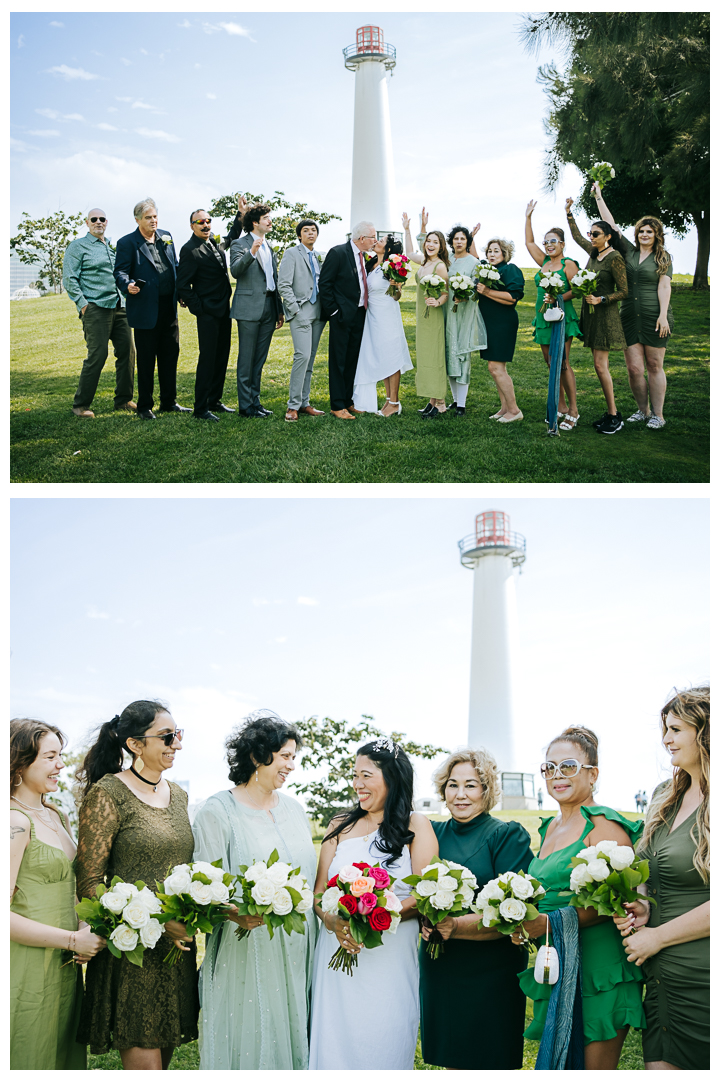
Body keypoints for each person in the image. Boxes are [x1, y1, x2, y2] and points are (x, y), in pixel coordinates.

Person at [75, 700, 198, 1069]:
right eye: (166, 736)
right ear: (134, 744)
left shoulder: (180, 795)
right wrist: (158, 924)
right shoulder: (108, 793)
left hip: (176, 955)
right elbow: (90, 883)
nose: (176, 743)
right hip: (132, 954)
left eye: (178, 734)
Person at [514, 725, 645, 1069]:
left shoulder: (603, 825)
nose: (557, 775)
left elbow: (618, 899)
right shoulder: (550, 828)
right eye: (549, 767)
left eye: (568, 766)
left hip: (597, 965)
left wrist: (546, 923)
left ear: (593, 773)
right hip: (557, 957)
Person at [192, 711, 317, 1069]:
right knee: (253, 1030)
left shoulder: (294, 809)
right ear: (257, 756)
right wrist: (236, 913)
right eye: (285, 756)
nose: (292, 765)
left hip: (297, 946)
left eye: (294, 757)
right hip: (246, 946)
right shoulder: (218, 811)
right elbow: (207, 889)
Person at [309, 738, 438, 1069]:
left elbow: (425, 893)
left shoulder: (416, 824)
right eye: (354, 775)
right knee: (335, 1042)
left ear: (392, 777)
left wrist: (376, 913)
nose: (357, 784)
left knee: (386, 1038)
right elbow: (320, 892)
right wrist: (332, 921)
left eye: (366, 775)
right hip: (336, 949)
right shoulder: (339, 825)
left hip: (390, 954)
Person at [418, 749, 533, 1070]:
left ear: (487, 789)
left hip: (491, 969)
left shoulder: (506, 835)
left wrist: (456, 925)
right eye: (452, 785)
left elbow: (516, 913)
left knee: (489, 1057)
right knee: (450, 1059)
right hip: (442, 968)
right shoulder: (432, 834)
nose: (460, 794)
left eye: (470, 785)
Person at [614, 686, 709, 1071]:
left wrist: (656, 936)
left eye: (675, 729)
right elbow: (652, 873)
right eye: (664, 730)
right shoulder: (664, 794)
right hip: (660, 975)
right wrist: (642, 904)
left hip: (703, 972)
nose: (666, 740)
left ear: (706, 732)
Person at [11, 718, 106, 1069]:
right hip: (27, 966)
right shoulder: (14, 821)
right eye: (50, 757)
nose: (61, 766)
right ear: (20, 763)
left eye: (60, 756)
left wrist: (84, 927)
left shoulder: (56, 815)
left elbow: (68, 887)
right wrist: (70, 939)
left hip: (64, 967)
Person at [592, 183, 673, 429]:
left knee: (654, 365)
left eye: (649, 232)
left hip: (654, 314)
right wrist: (599, 196)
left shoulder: (663, 258)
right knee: (635, 368)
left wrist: (663, 316)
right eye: (641, 231)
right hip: (628, 315)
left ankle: (658, 415)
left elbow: (664, 287)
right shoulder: (628, 253)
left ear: (656, 235)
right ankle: (642, 410)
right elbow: (612, 226)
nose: (644, 235)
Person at [114, 198, 191, 420]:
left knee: (170, 356)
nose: (153, 221)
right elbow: (120, 271)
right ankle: (144, 406)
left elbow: (174, 266)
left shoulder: (166, 237)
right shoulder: (127, 243)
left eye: (155, 216)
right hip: (145, 310)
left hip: (169, 309)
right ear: (137, 219)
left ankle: (169, 402)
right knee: (146, 360)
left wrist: (181, 292)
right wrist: (126, 285)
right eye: (148, 217)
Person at [62, 207, 136, 418]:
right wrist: (83, 304)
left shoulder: (110, 247)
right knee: (98, 354)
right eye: (93, 219)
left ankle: (123, 400)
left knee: (127, 352)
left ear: (106, 222)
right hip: (95, 308)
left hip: (119, 307)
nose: (98, 222)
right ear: (87, 223)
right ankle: (80, 405)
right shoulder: (78, 247)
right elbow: (69, 278)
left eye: (102, 219)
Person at [565, 198, 629, 434]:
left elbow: (624, 291)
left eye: (596, 233)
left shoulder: (615, 258)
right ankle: (610, 413)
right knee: (598, 365)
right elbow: (576, 238)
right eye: (591, 233)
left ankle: (614, 416)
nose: (591, 237)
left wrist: (601, 299)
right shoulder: (593, 254)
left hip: (605, 316)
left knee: (600, 366)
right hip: (590, 315)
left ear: (608, 236)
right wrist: (569, 214)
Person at [524, 202, 582, 429]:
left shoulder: (568, 264)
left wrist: (558, 298)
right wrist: (528, 217)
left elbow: (577, 290)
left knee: (563, 363)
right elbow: (529, 243)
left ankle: (574, 410)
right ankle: (559, 407)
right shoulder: (545, 263)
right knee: (550, 363)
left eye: (553, 241)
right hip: (543, 318)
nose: (548, 245)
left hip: (561, 317)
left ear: (562, 244)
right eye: (546, 242)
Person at [176, 209, 234, 422]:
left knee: (222, 356)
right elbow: (182, 284)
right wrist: (199, 308)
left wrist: (239, 213)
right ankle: (200, 408)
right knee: (208, 359)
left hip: (224, 311)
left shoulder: (216, 244)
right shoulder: (189, 250)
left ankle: (214, 401)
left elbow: (233, 232)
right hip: (207, 313)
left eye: (208, 221)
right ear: (192, 226)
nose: (205, 225)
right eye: (200, 222)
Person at [229, 203, 285, 419]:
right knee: (246, 358)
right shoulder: (239, 244)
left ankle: (256, 401)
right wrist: (251, 253)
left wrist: (278, 309)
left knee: (259, 359)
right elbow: (235, 271)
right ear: (255, 222)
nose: (270, 221)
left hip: (270, 307)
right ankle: (245, 406)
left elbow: (273, 280)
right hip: (248, 310)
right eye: (266, 218)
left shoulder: (269, 246)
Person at [318, 220, 378, 419]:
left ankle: (348, 401)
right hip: (341, 316)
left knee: (352, 359)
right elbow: (324, 285)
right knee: (339, 361)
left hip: (360, 315)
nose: (375, 241)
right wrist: (334, 312)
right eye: (372, 237)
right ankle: (337, 405)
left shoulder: (363, 256)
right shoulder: (337, 253)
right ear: (362, 238)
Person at [353, 234, 414, 416]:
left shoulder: (393, 265)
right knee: (382, 356)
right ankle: (388, 400)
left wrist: (396, 286)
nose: (377, 242)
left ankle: (395, 402)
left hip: (387, 315)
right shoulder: (371, 264)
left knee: (392, 356)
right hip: (373, 316)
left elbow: (396, 296)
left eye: (381, 241)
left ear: (388, 248)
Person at [277, 219, 327, 423]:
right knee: (302, 356)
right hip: (301, 312)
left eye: (313, 230)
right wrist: (295, 309)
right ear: (299, 235)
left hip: (318, 313)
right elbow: (284, 284)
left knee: (311, 358)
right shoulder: (291, 253)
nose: (310, 233)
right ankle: (292, 405)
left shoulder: (319, 256)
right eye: (305, 231)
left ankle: (304, 403)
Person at [402, 209, 450, 417]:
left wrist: (437, 301)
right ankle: (432, 399)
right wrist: (407, 229)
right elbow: (409, 251)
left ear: (440, 246)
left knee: (435, 356)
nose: (431, 244)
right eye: (428, 241)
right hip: (423, 316)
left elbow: (446, 293)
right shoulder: (424, 261)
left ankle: (440, 402)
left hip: (434, 316)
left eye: (435, 242)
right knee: (426, 357)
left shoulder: (439, 266)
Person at [476, 238, 525, 423]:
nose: (491, 254)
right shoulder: (487, 271)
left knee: (496, 368)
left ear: (504, 253)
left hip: (503, 323)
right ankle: (504, 408)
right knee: (495, 368)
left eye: (496, 251)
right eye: (489, 251)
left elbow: (513, 297)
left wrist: (487, 292)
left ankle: (514, 410)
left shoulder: (509, 270)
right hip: (489, 323)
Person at [444, 224, 487, 417]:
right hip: (447, 311)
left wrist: (466, 295)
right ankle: (454, 400)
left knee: (461, 355)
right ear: (451, 241)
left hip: (465, 312)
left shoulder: (474, 262)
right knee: (449, 354)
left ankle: (461, 404)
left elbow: (477, 288)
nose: (459, 242)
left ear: (467, 241)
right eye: (456, 238)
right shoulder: (447, 260)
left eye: (462, 239)